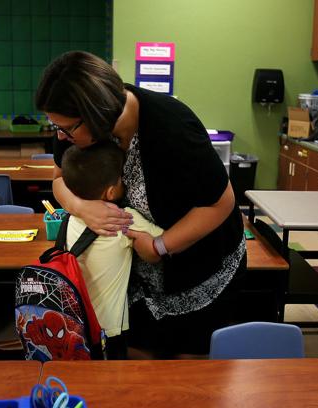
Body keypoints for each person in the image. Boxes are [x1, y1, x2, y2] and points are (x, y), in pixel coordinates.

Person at [35, 51, 246, 359]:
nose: (60, 136)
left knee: (188, 368)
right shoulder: (74, 130)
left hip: (200, 263)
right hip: (138, 270)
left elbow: (221, 203)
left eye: (66, 128)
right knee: (137, 360)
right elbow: (58, 179)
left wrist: (161, 245)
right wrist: (82, 207)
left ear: (97, 116)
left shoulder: (172, 128)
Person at [61, 141, 164, 360]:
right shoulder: (124, 219)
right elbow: (165, 239)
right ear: (110, 192)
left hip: (74, 323)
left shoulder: (69, 217)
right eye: (120, 179)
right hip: (108, 330)